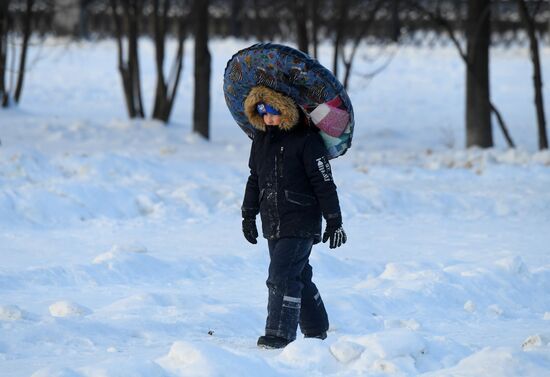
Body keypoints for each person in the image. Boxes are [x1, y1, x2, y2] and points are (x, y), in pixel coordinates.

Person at [241, 85, 347, 349]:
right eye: (262, 111)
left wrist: (334, 220)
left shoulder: (307, 141)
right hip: (273, 220)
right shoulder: (261, 141)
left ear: (287, 111)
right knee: (298, 275)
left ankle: (279, 334)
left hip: (301, 219)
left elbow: (324, 182)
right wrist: (248, 215)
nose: (268, 117)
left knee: (281, 276)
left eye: (274, 111)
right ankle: (316, 328)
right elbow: (255, 179)